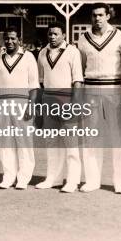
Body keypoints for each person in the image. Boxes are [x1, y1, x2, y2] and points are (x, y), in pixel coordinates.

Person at [77, 3, 121, 193]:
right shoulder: (83, 39)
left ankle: (119, 182)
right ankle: (92, 181)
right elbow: (80, 68)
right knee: (91, 137)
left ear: (108, 16)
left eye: (101, 15)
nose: (97, 18)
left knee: (118, 137)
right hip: (91, 90)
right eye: (94, 15)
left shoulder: (120, 37)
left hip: (114, 90)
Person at [0, 27, 39, 189]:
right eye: (7, 38)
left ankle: (23, 177)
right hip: (2, 103)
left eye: (13, 38)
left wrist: (32, 105)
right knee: (6, 142)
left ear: (19, 40)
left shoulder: (28, 57)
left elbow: (34, 85)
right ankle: (8, 176)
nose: (9, 41)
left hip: (22, 103)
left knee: (23, 142)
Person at [35, 22, 84, 193]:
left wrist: (75, 105)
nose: (52, 37)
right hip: (48, 100)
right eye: (50, 34)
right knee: (51, 142)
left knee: (70, 143)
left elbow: (77, 80)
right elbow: (40, 82)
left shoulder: (72, 52)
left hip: (67, 100)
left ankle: (72, 180)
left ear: (64, 35)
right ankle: (53, 178)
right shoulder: (42, 53)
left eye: (56, 34)